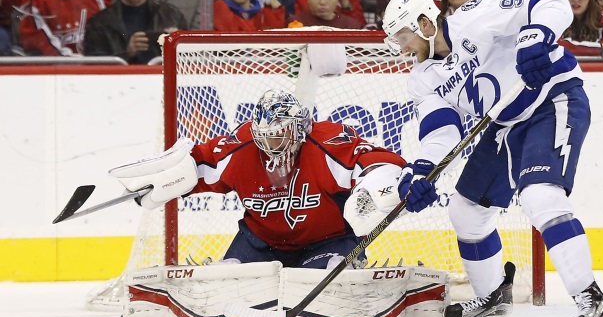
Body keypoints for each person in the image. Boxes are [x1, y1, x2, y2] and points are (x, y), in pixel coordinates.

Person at [381, 0, 603, 317]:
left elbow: (551, 1)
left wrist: (536, 35)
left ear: (424, 23)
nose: (402, 48)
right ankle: (493, 295)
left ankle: (593, 301)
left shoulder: (472, 18)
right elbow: (442, 133)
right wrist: (420, 172)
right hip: (504, 124)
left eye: (404, 37)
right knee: (465, 211)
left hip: (552, 98)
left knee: (540, 195)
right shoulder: (422, 79)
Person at [111, 89, 406, 269]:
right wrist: (167, 181)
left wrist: (375, 183)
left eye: (279, 135)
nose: (271, 144)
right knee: (228, 278)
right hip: (260, 242)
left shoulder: (326, 142)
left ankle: (344, 267)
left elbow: (378, 161)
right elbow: (201, 166)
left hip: (328, 241)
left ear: (299, 129)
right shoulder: (242, 148)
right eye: (265, 136)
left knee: (331, 276)